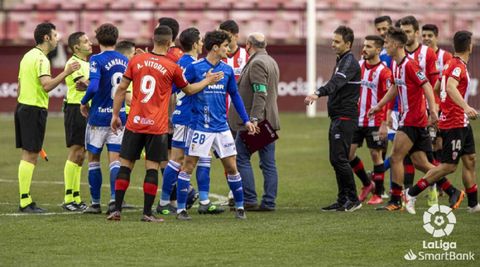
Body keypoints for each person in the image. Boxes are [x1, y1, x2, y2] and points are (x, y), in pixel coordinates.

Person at [107, 26, 223, 222]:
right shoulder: (172, 66)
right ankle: (147, 213)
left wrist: (115, 115)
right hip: (156, 125)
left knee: (125, 165)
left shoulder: (136, 60)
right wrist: (208, 81)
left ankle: (116, 210)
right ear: (170, 43)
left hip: (135, 121)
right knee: (152, 168)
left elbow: (121, 89)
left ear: (153, 39)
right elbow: (188, 90)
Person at [368, 27, 463, 211]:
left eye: (386, 42)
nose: (385, 46)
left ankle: (396, 200)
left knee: (396, 157)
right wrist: (379, 106)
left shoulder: (410, 65)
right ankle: (453, 191)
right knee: (422, 163)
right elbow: (395, 88)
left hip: (413, 119)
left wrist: (433, 111)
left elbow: (427, 85)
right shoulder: (396, 64)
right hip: (409, 119)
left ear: (395, 44)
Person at [175, 30, 257, 220]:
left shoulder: (227, 70)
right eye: (226, 46)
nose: (228, 49)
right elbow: (181, 90)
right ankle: (181, 210)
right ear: (215, 47)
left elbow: (235, 95)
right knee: (188, 166)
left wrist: (246, 119)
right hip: (199, 126)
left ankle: (240, 208)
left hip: (221, 127)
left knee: (232, 167)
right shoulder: (195, 68)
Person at [404, 31, 479, 214]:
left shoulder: (450, 63)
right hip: (455, 123)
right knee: (449, 166)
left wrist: (441, 106)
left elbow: (438, 87)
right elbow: (451, 87)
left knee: (470, 160)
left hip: (460, 122)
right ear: (470, 46)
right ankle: (411, 194)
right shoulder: (457, 66)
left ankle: (473, 205)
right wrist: (465, 107)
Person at [157, 27, 225, 215]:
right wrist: (170, 116)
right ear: (195, 44)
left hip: (195, 118)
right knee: (177, 159)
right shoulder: (188, 64)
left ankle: (203, 201)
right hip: (187, 117)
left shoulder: (186, 62)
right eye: (201, 40)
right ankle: (164, 202)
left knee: (203, 157)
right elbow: (171, 91)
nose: (203, 43)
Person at [15, 22, 80, 213]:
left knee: (28, 153)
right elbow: (46, 85)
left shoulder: (27, 56)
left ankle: (24, 198)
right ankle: (25, 201)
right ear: (46, 38)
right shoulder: (42, 59)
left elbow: (19, 86)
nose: (57, 38)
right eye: (55, 35)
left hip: (23, 107)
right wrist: (66, 72)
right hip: (33, 109)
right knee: (30, 155)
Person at [304, 26, 362, 212]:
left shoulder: (349, 62)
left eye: (337, 42)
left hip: (345, 116)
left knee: (339, 159)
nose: (332, 44)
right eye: (333, 40)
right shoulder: (341, 60)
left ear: (348, 43)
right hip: (338, 116)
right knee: (336, 159)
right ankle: (342, 199)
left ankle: (353, 199)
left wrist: (318, 93)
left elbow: (336, 82)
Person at [80, 23, 128, 214]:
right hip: (118, 117)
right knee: (115, 161)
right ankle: (114, 201)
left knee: (93, 160)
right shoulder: (125, 60)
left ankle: (95, 203)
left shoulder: (96, 59)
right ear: (116, 39)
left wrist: (84, 102)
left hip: (99, 117)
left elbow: (92, 87)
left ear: (98, 39)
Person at [229, 32, 280, 211]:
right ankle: (269, 202)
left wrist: (254, 119)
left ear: (249, 45)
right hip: (268, 120)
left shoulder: (257, 63)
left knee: (241, 158)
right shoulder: (271, 61)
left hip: (256, 122)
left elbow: (260, 93)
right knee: (268, 163)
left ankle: (249, 199)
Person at [349, 35, 392, 205]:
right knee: (348, 154)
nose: (364, 49)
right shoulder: (358, 66)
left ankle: (378, 194)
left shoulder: (384, 71)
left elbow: (389, 99)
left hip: (375, 121)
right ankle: (368, 184)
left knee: (376, 155)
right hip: (356, 120)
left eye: (369, 46)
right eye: (364, 45)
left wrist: (384, 123)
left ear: (378, 50)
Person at [422, 23, 454, 202]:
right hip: (423, 107)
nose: (426, 38)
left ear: (436, 36)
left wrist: (441, 107)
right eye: (424, 35)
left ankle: (438, 183)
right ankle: (438, 184)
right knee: (430, 145)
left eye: (429, 35)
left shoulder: (446, 56)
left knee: (438, 144)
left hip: (441, 108)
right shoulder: (419, 56)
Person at [219, 19, 250, 206]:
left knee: (241, 156)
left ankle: (243, 191)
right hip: (221, 116)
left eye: (227, 35)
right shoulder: (217, 56)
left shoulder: (247, 56)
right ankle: (234, 191)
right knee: (227, 156)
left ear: (236, 36)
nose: (223, 38)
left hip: (241, 116)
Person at [61, 31, 92, 211]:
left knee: (82, 154)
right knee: (75, 151)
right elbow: (83, 84)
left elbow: (88, 84)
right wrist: (95, 82)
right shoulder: (74, 63)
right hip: (75, 108)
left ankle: (76, 196)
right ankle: (68, 198)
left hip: (85, 109)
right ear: (76, 47)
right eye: (85, 41)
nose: (90, 43)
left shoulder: (86, 63)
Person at [114, 40, 136, 120]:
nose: (135, 57)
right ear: (125, 55)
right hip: (126, 113)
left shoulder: (113, 69)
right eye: (134, 54)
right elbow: (129, 100)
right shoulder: (126, 71)